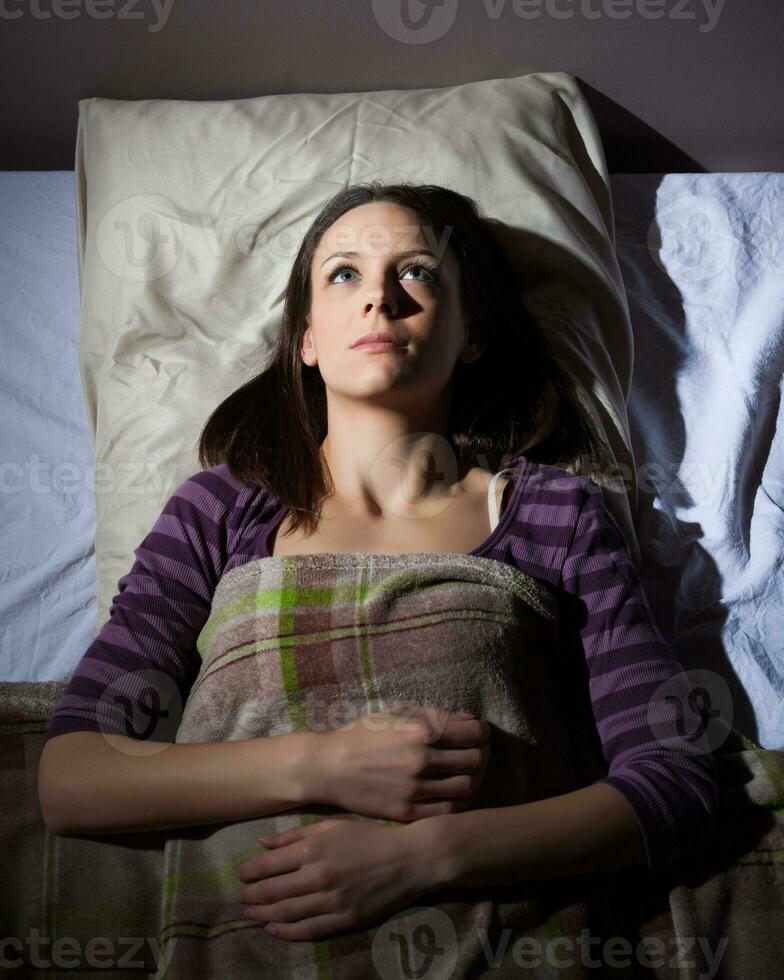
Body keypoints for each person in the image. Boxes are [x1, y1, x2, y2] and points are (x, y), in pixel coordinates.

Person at [39, 181, 720, 944]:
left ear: (471, 332)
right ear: (306, 337)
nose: (380, 300)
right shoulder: (218, 512)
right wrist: (324, 764)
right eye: (344, 274)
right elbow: (76, 776)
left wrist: (423, 857)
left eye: (418, 273)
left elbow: (675, 779)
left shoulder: (556, 515)